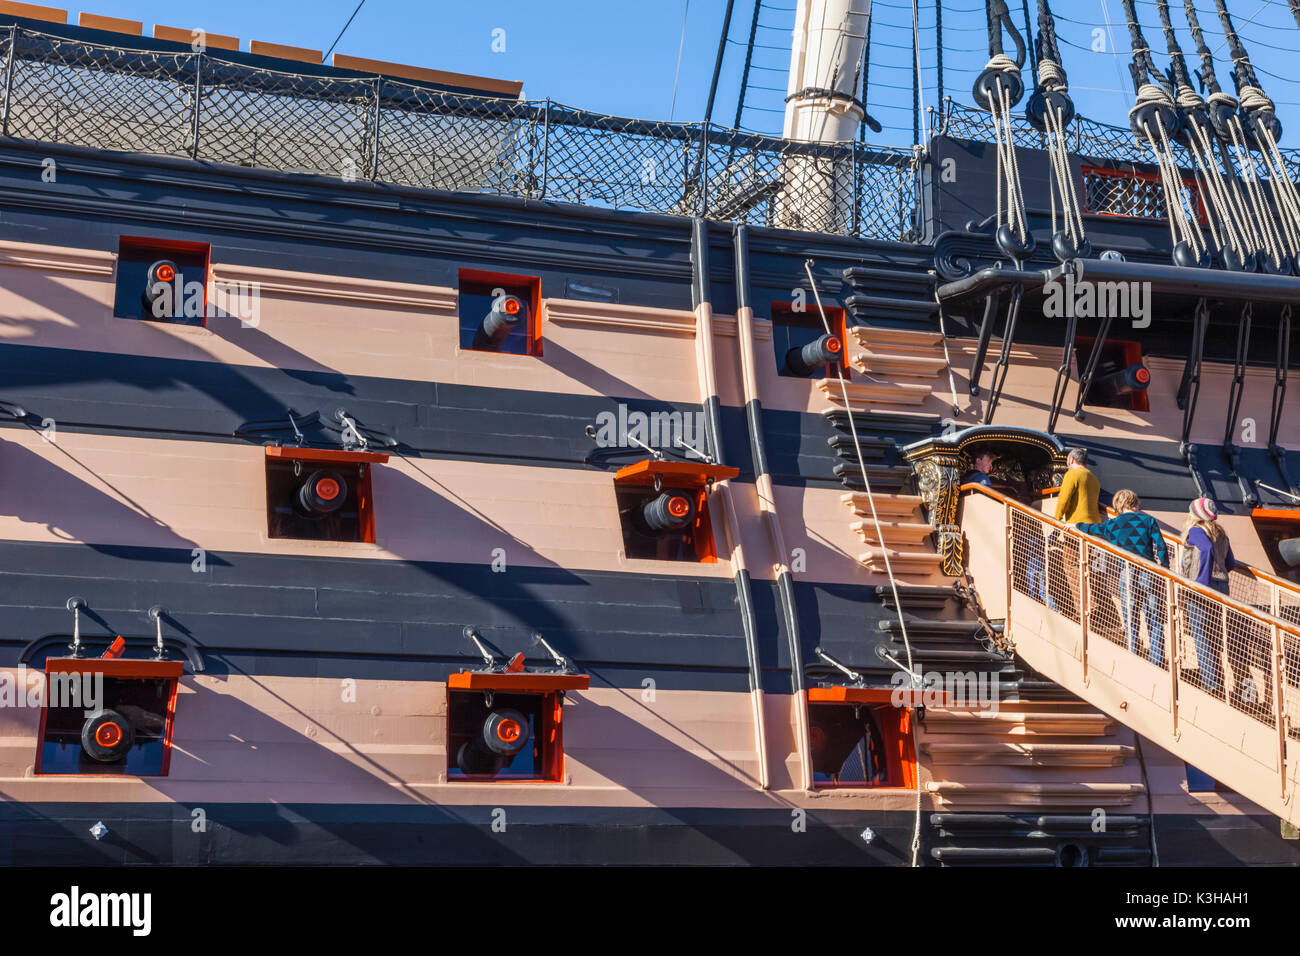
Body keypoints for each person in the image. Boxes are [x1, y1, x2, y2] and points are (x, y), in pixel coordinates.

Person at [1074, 490, 1169, 667]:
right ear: (1135, 502)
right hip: (1149, 572)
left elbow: (1092, 529)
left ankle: (1133, 658)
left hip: (1127, 572)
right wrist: (1164, 569)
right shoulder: (1148, 521)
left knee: (1130, 618)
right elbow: (1161, 547)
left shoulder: (1113, 524)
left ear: (1118, 505)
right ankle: (1156, 662)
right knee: (1155, 618)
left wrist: (1075, 525)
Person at [1179, 497, 1235, 695]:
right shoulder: (1221, 533)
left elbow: (1206, 548)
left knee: (1201, 634)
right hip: (1222, 585)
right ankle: (1217, 678)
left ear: (1195, 514)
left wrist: (1202, 580)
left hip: (1202, 587)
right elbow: (1230, 563)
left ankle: (1210, 683)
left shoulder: (1196, 531)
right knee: (1213, 634)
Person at [1053, 448, 1101, 617]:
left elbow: (1064, 499)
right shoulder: (1093, 478)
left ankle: (1085, 607)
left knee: (1071, 565)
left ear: (1071, 460)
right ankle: (1090, 605)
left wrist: (1056, 520)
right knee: (1085, 566)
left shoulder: (1072, 474)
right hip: (1094, 529)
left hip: (1076, 528)